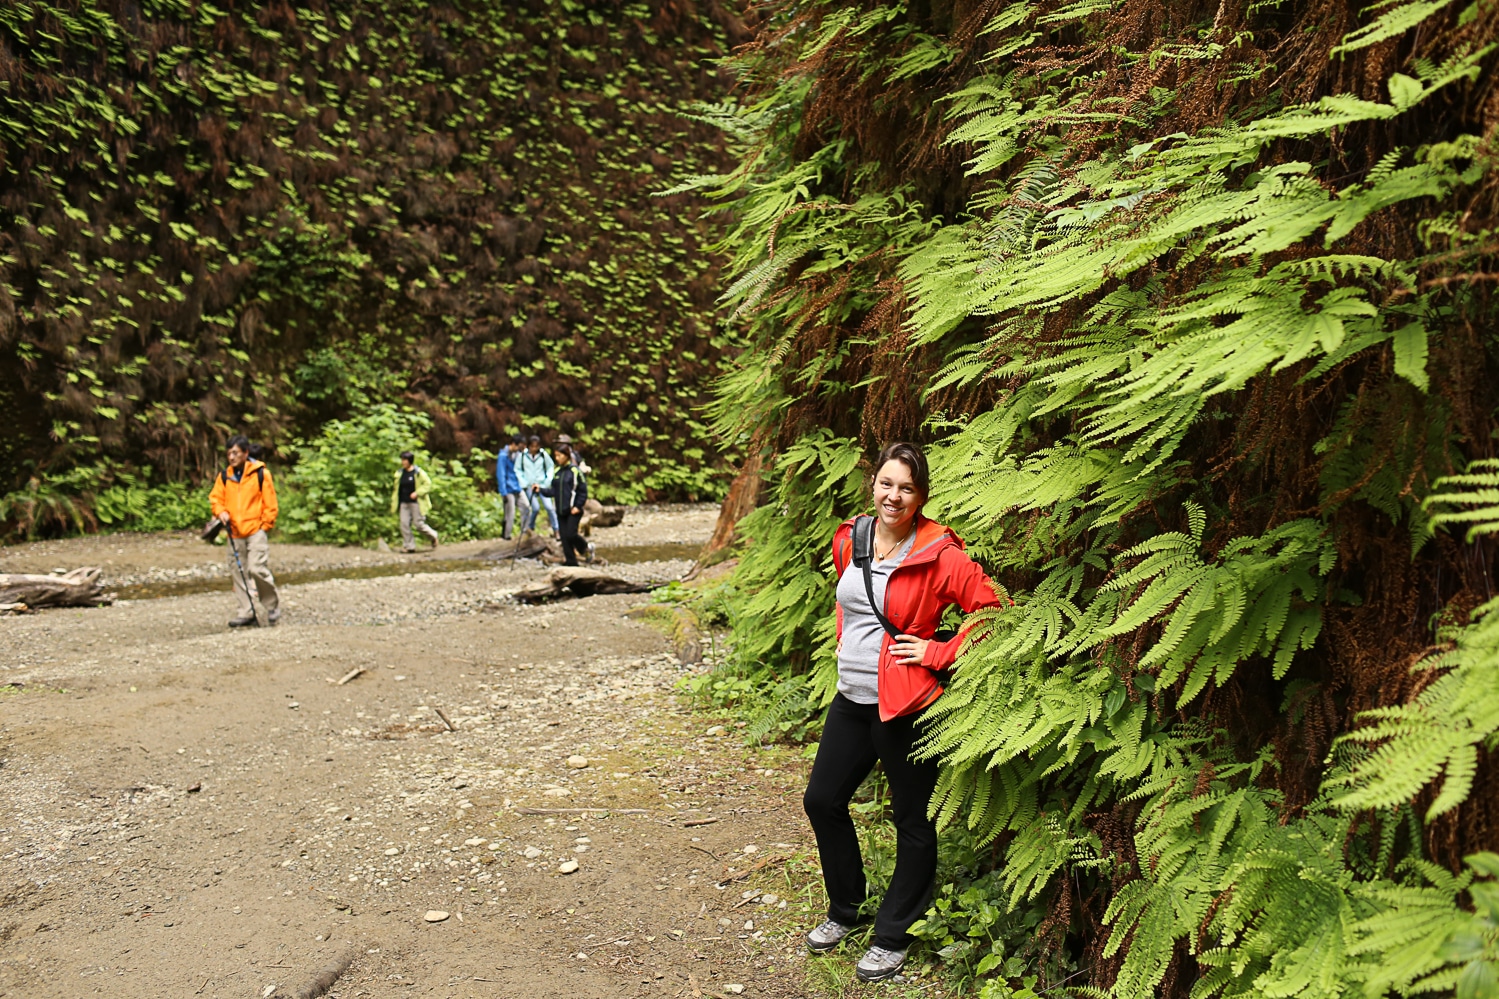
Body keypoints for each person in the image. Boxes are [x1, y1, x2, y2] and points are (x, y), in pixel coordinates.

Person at [802, 442, 1006, 982]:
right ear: (874, 484)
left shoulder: (942, 554)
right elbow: (850, 602)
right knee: (822, 800)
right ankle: (846, 908)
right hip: (851, 698)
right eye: (887, 484)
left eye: (907, 488)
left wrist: (937, 652)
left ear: (922, 496)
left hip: (904, 705)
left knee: (911, 820)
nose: (894, 496)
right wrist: (848, 648)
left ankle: (892, 935)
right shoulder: (851, 537)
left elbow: (993, 612)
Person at [208, 434, 281, 628]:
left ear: (245, 453)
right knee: (237, 572)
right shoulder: (225, 476)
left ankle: (272, 606)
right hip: (234, 532)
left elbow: (270, 503)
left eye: (235, 453)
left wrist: (265, 525)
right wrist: (221, 512)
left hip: (255, 529)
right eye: (229, 453)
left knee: (256, 568)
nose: (231, 457)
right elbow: (216, 499)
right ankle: (246, 611)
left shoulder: (261, 473)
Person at [533, 442, 588, 565]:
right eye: (556, 456)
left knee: (571, 534)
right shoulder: (557, 472)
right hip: (560, 509)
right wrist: (540, 490)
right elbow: (553, 491)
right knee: (564, 538)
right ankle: (571, 562)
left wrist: (578, 506)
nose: (557, 458)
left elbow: (583, 490)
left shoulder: (575, 471)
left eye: (559, 456)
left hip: (573, 509)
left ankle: (584, 547)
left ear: (566, 456)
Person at [391, 450, 439, 553]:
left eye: (405, 460)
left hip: (416, 503)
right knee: (404, 524)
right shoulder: (399, 473)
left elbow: (427, 484)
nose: (403, 462)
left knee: (418, 524)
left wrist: (417, 493)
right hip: (404, 502)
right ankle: (409, 546)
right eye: (402, 460)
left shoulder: (418, 473)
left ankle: (433, 536)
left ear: (410, 461)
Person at [515, 435, 558, 535]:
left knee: (549, 507)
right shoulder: (522, 456)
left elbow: (550, 467)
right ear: (529, 446)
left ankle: (556, 529)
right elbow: (518, 470)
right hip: (530, 486)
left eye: (536, 446)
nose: (534, 449)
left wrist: (547, 481)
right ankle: (530, 528)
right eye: (532, 446)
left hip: (542, 485)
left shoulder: (543, 454)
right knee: (535, 508)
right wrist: (524, 482)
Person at [496, 434, 524, 540]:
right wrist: (503, 492)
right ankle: (506, 535)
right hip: (508, 488)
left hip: (517, 487)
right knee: (509, 513)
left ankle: (525, 531)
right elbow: (501, 474)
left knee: (526, 507)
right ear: (513, 444)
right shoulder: (503, 455)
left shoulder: (517, 455)